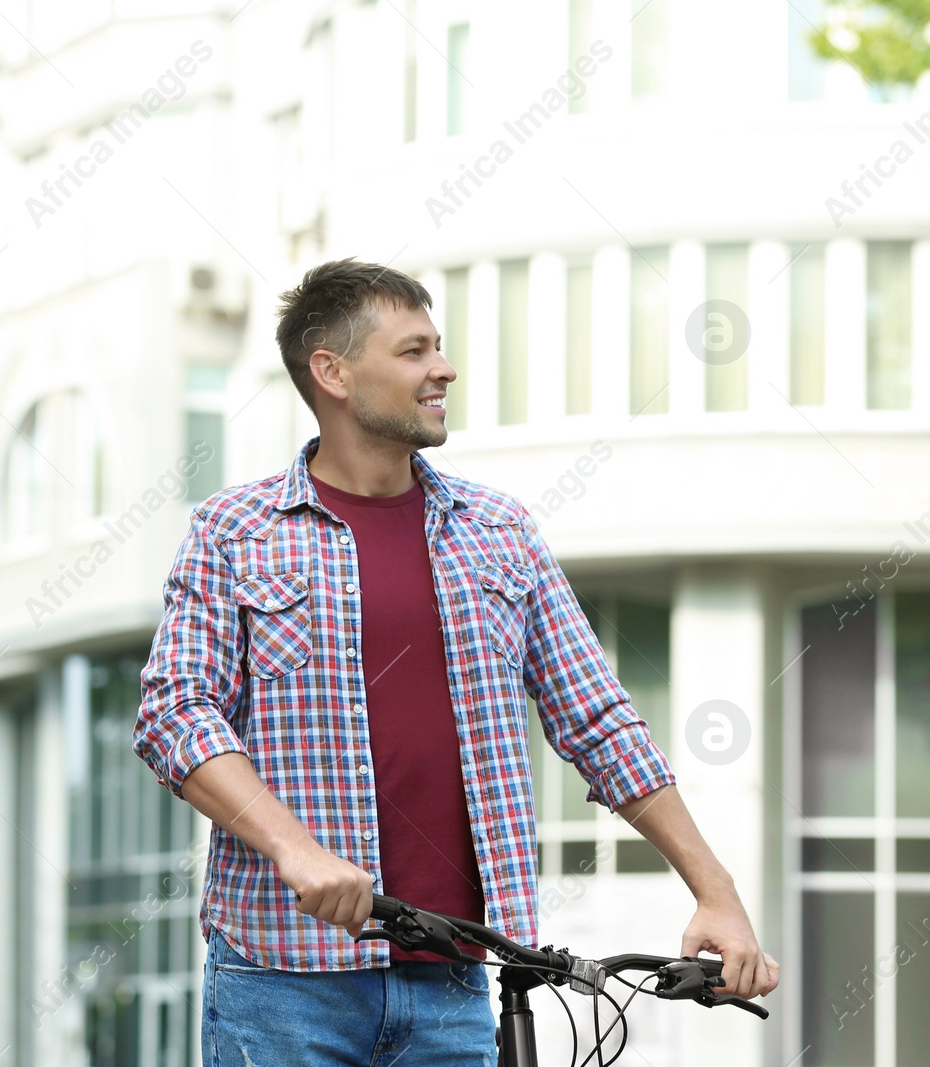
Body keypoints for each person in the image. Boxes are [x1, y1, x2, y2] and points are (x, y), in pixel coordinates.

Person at [133, 258, 779, 1066]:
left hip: (459, 986)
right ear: (331, 372)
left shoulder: (498, 531)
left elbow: (599, 719)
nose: (444, 368)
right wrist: (295, 848)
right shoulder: (235, 531)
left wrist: (713, 889)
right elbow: (173, 713)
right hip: (284, 983)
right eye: (413, 352)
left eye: (437, 346)